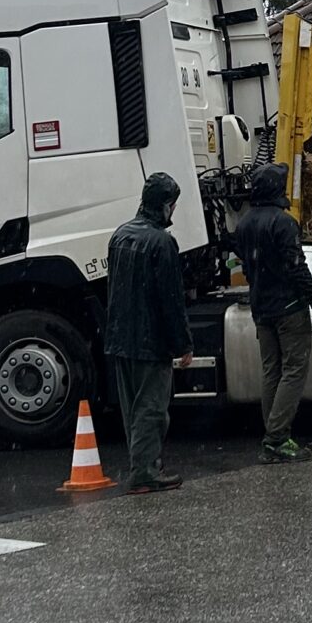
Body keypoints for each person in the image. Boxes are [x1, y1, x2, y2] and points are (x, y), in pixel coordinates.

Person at [233, 163, 312, 462]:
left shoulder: (244, 224)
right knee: (294, 370)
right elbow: (296, 268)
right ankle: (276, 438)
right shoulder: (283, 223)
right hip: (289, 309)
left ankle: (274, 434)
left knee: (272, 371)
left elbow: (246, 265)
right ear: (277, 189)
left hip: (261, 309)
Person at [103, 171, 192, 494]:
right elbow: (171, 299)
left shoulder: (120, 235)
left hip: (121, 338)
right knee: (151, 409)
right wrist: (182, 344)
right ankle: (144, 472)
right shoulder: (162, 243)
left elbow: (113, 289)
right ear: (166, 205)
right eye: (174, 204)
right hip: (150, 340)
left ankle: (141, 465)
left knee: (133, 408)